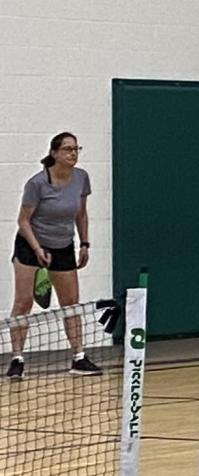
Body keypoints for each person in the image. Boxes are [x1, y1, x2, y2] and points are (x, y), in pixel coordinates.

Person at [7, 132, 102, 380]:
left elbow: (81, 214)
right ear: (55, 153)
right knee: (23, 302)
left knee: (71, 302)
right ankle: (17, 359)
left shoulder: (81, 178)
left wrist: (84, 243)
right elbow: (23, 221)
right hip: (31, 244)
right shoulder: (37, 183)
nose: (73, 154)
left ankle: (79, 358)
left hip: (62, 246)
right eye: (68, 149)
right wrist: (38, 249)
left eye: (76, 149)